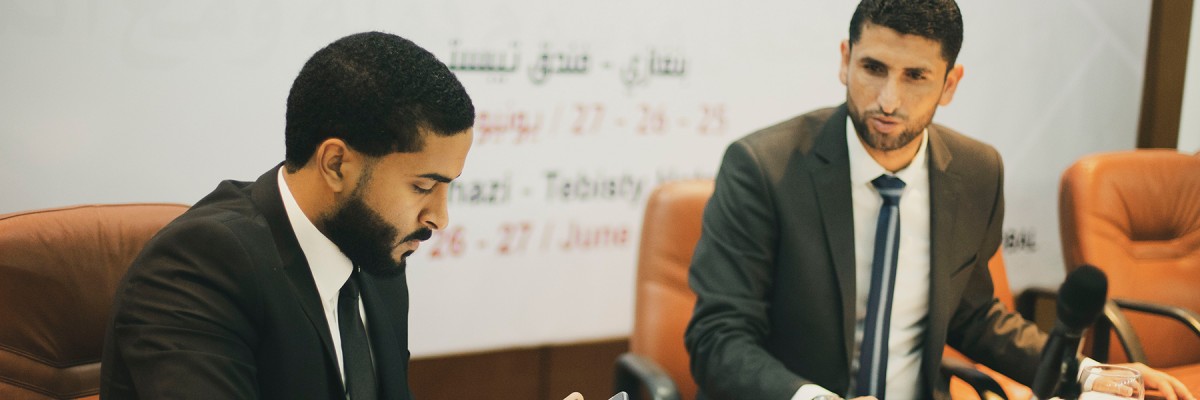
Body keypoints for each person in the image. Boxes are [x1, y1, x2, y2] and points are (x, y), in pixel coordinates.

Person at [683, 1, 1195, 399]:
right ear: (845, 61)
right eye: (873, 68)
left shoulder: (975, 172)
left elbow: (972, 316)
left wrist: (1086, 372)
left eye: (915, 77)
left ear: (950, 83)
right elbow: (718, 339)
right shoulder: (762, 168)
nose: (888, 99)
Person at [100, 31, 475, 399]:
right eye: (423, 187)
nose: (439, 218)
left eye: (449, 187)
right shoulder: (198, 268)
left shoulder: (375, 254)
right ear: (336, 164)